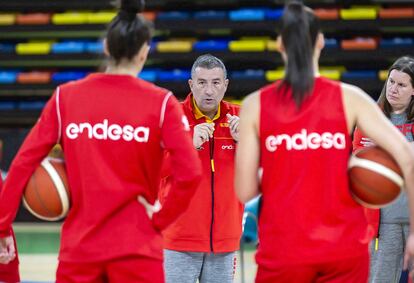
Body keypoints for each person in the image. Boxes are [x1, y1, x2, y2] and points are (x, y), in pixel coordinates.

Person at [0, 0, 202, 282]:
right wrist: (160, 219)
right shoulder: (162, 103)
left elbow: (22, 164)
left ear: (106, 47)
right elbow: (191, 173)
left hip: (80, 251)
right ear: (144, 52)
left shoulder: (65, 98)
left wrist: (2, 228)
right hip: (138, 250)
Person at [234, 2, 414, 283]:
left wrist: (284, 164)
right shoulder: (350, 97)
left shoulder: (254, 105)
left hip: (284, 249)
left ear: (280, 45)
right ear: (321, 42)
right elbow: (407, 157)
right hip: (343, 250)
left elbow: (244, 190)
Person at [159, 54, 244, 283]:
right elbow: (152, 171)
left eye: (216, 83)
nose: (209, 91)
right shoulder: (171, 118)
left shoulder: (242, 118)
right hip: (178, 240)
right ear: (191, 84)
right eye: (202, 83)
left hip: (225, 241)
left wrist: (245, 145)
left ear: (225, 85)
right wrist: (187, 145)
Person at [353, 56, 414, 283]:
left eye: (402, 85)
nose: (393, 89)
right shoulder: (370, 119)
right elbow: (360, 162)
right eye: (391, 82)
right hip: (382, 222)